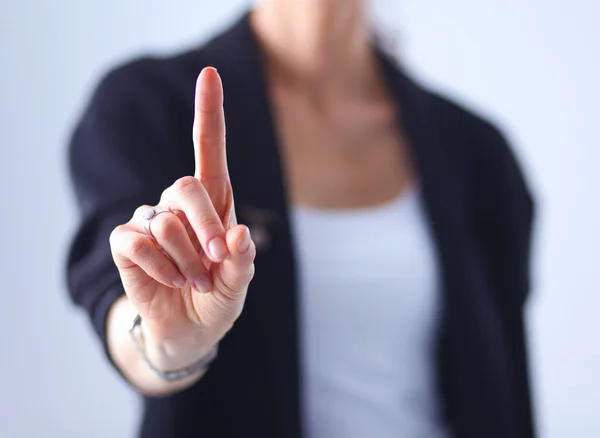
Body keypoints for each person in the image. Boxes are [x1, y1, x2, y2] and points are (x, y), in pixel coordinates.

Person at [66, 1, 536, 437]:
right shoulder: (150, 107)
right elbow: (117, 296)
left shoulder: (476, 153)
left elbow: (506, 391)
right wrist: (169, 345)